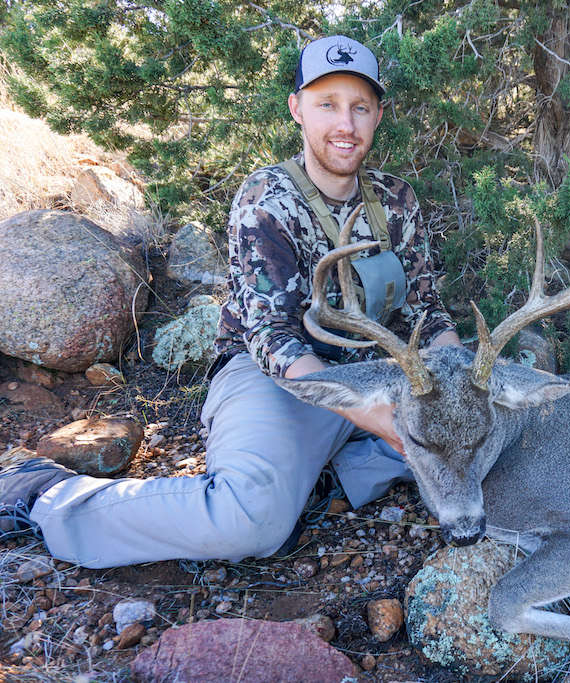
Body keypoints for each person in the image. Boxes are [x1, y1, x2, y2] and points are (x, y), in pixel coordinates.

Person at [0, 35, 460, 568]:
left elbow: (426, 310)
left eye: (360, 108)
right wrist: (367, 411)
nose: (345, 125)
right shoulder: (265, 200)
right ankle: (51, 497)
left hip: (376, 374)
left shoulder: (396, 198)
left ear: (378, 114)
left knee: (486, 431)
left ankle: (328, 468)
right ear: (297, 110)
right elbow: (273, 339)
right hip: (280, 380)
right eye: (327, 105)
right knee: (248, 520)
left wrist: (459, 379)